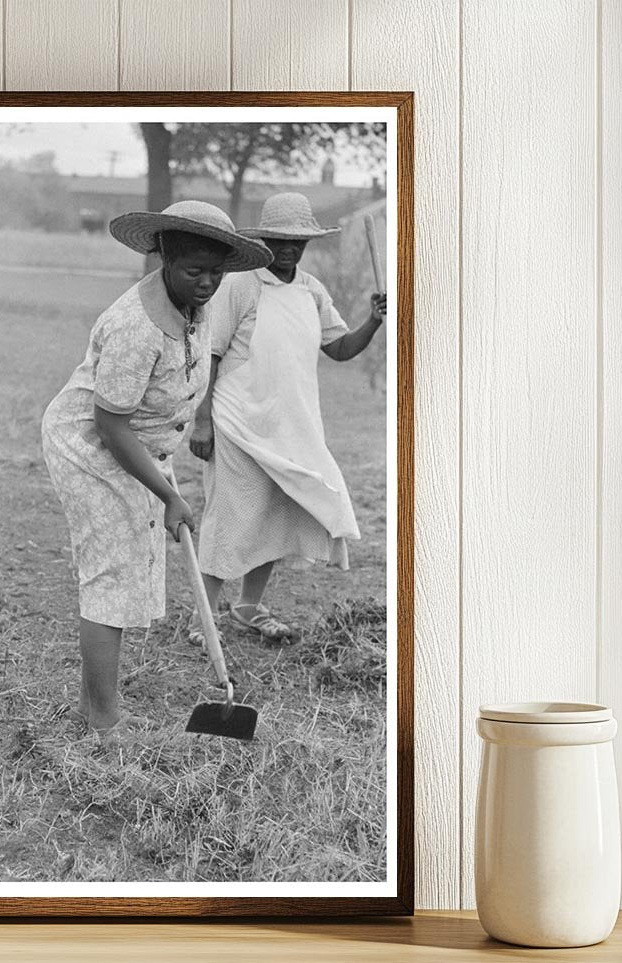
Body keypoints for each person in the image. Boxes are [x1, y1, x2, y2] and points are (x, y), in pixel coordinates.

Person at [41, 201, 271, 733]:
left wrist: (164, 478)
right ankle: (103, 725)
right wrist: (170, 495)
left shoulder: (196, 302)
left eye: (216, 272)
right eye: (195, 271)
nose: (208, 283)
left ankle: (90, 709)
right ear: (164, 258)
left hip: (138, 446)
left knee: (126, 570)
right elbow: (110, 423)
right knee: (111, 576)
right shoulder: (134, 326)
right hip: (90, 448)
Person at [188, 193, 387, 645]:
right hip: (237, 421)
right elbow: (212, 355)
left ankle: (247, 608)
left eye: (299, 241)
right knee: (231, 517)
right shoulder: (241, 285)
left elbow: (339, 349)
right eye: (281, 240)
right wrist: (202, 421)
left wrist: (373, 321)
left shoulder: (312, 289)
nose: (290, 249)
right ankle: (204, 618)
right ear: (264, 239)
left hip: (291, 425)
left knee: (274, 517)